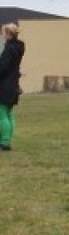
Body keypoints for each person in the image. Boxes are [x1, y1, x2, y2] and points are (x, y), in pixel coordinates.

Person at [0, 23, 25, 151]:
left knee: (2, 113)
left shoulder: (9, 49)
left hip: (4, 86)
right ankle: (7, 140)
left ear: (8, 33)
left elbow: (3, 67)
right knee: (8, 113)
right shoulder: (18, 47)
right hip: (13, 84)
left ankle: (4, 142)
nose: (2, 35)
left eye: (3, 32)